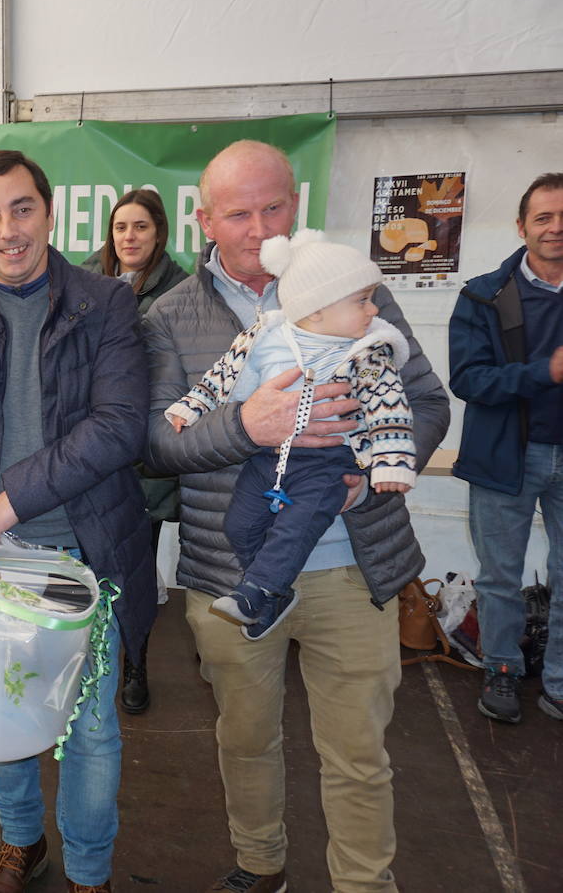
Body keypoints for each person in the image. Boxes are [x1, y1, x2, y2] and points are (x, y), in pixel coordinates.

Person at [142, 140, 449, 893]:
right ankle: (259, 862)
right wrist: (248, 425)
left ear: (296, 207)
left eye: (272, 208)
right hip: (231, 569)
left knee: (358, 754)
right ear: (205, 219)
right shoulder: (171, 316)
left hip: (352, 567)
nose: (256, 228)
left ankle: (364, 885)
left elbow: (429, 405)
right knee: (246, 739)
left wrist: (364, 475)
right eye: (237, 213)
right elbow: (155, 444)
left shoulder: (356, 290)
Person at [0, 150, 155, 893]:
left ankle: (89, 872)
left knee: (92, 732)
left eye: (21, 209)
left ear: (49, 212)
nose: (8, 230)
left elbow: (118, 426)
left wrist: (0, 507)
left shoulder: (104, 302)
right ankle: (22, 843)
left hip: (87, 551)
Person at [166, 230, 416, 641]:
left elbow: (389, 405)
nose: (373, 309)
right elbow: (222, 376)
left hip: (329, 465)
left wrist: (391, 463)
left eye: (371, 298)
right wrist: (188, 408)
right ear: (315, 309)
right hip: (268, 459)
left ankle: (257, 590)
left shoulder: (368, 351)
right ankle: (275, 594)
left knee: (295, 527)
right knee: (240, 527)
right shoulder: (265, 336)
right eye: (361, 300)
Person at [449, 171, 563, 724]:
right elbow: (468, 380)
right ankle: (501, 669)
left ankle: (559, 683)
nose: (556, 228)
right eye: (543, 217)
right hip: (505, 457)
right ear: (521, 226)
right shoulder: (482, 296)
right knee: (499, 575)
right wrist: (546, 372)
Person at [82, 188, 191, 714]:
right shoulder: (85, 281)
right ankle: (87, 665)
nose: (129, 237)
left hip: (145, 457)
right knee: (90, 569)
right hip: (91, 453)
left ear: (159, 232)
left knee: (136, 571)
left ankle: (137, 666)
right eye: (121, 227)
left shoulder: (183, 291)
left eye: (140, 227)